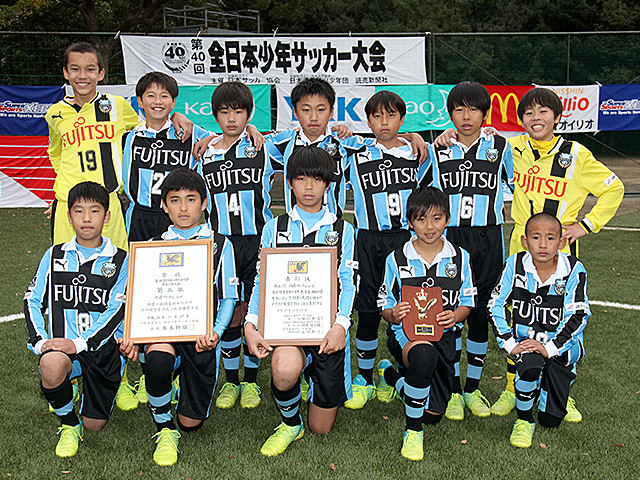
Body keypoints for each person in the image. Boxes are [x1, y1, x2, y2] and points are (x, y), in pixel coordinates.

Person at [433, 86, 624, 419]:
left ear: (558, 117)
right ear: (520, 120)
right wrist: (440, 137)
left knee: (559, 317)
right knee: (518, 316)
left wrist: (585, 225)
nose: (536, 118)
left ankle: (558, 389)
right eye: (529, 113)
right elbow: (472, 145)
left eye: (543, 111)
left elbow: (614, 188)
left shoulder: (576, 154)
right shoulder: (512, 147)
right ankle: (513, 387)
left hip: (560, 248)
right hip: (519, 244)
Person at [119, 168, 238, 466]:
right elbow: (136, 299)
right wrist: (131, 334)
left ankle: (177, 385)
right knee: (158, 360)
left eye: (191, 199)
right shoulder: (150, 247)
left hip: (201, 339)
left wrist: (216, 331)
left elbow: (228, 297)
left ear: (204, 203)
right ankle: (164, 428)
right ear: (164, 205)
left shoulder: (221, 244)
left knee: (191, 423)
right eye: (175, 200)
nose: (183, 208)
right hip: (164, 333)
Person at [244, 146, 357, 456]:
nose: (309, 187)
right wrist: (250, 324)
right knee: (283, 369)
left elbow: (348, 282)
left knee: (321, 428)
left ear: (328, 184)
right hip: (288, 329)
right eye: (301, 178)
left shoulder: (343, 230)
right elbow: (262, 280)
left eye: (317, 179)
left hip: (326, 331)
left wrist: (340, 326)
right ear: (289, 183)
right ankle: (290, 423)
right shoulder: (274, 227)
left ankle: (312, 377)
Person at [45, 42, 192, 251]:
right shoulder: (54, 113)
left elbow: (149, 127)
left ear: (101, 74)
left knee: (114, 263)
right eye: (75, 69)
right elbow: (56, 154)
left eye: (90, 69)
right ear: (65, 73)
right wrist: (62, 193)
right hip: (68, 201)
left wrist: (175, 115)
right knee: (65, 262)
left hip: (108, 201)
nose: (82, 76)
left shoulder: (116, 105)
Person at [427, 81, 514, 420]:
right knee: (450, 313)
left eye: (473, 109)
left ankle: (472, 388)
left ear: (484, 114)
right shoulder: (437, 150)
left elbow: (517, 181)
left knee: (479, 313)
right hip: (450, 240)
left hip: (488, 238)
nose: (466, 116)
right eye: (459, 110)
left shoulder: (500, 146)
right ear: (450, 114)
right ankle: (450, 390)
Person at [24, 181, 128, 458]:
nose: (86, 218)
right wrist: (40, 340)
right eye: (78, 211)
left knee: (95, 425)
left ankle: (85, 391)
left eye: (94, 211)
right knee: (51, 364)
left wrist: (81, 343)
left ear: (107, 216)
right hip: (63, 348)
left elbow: (117, 310)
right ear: (68, 217)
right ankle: (69, 423)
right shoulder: (54, 255)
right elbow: (32, 299)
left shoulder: (121, 260)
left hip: (102, 350)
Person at [344, 90, 431, 409]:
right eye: (377, 116)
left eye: (391, 115)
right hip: (368, 241)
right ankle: (365, 380)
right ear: (367, 121)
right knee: (368, 310)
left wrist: (414, 137)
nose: (384, 121)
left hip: (406, 242)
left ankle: (401, 370)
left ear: (402, 119)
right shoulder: (356, 152)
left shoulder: (417, 153)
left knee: (408, 309)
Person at [198, 81, 281, 411]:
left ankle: (251, 381)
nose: (231, 118)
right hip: (222, 245)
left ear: (249, 114)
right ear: (215, 115)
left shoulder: (263, 147)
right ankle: (231, 381)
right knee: (230, 311)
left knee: (254, 311)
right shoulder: (204, 153)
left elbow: (306, 140)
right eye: (224, 112)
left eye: (238, 112)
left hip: (257, 241)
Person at [377, 186, 476, 460]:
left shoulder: (460, 257)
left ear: (447, 219)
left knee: (433, 413)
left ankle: (390, 376)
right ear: (410, 222)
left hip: (444, 337)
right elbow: (384, 303)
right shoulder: (396, 258)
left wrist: (455, 316)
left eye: (437, 218)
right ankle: (413, 431)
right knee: (423, 355)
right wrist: (393, 314)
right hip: (406, 336)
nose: (429, 227)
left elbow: (468, 301)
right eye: (421, 219)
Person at [488, 213, 589, 448]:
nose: (543, 244)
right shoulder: (515, 264)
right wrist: (510, 343)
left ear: (561, 242)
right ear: (525, 241)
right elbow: (495, 305)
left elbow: (578, 314)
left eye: (550, 238)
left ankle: (551, 390)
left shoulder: (573, 268)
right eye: (536, 237)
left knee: (550, 420)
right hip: (527, 343)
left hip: (560, 348)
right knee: (530, 363)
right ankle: (524, 420)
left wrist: (550, 348)